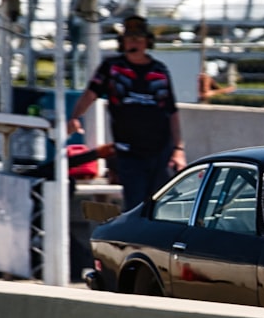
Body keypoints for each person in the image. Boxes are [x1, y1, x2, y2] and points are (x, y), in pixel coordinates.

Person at [68, 15, 186, 211]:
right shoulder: (112, 68)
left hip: (160, 151)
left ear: (148, 42)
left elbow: (172, 112)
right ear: (122, 42)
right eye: (130, 39)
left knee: (161, 206)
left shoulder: (159, 70)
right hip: (129, 151)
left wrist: (178, 149)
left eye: (139, 39)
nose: (135, 43)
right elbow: (90, 94)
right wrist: (74, 116)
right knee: (136, 204)